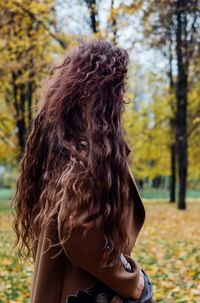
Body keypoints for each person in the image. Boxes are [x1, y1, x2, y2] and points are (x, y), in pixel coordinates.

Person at [11, 39, 154, 303]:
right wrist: (133, 283)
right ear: (101, 94)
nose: (123, 97)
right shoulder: (88, 156)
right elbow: (81, 236)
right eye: (118, 88)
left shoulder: (63, 150)